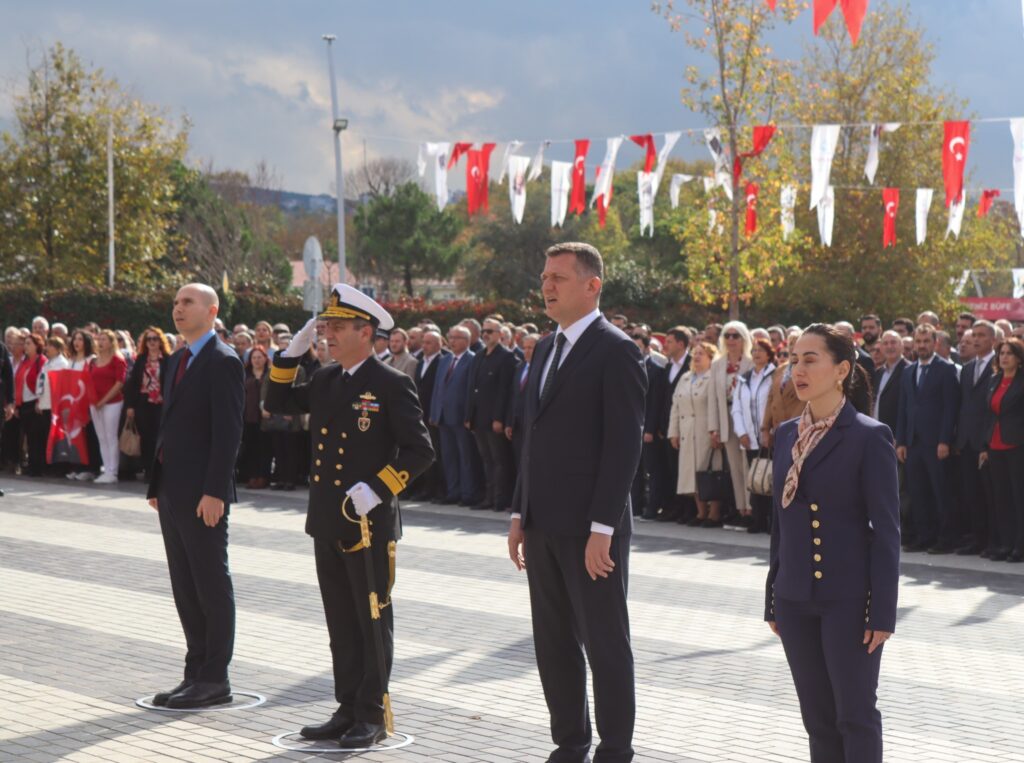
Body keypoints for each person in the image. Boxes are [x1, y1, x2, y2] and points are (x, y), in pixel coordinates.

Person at [265, 283, 434, 748]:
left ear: (367, 331)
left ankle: (372, 714)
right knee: (340, 621)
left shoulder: (391, 383)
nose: (328, 336)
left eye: (337, 328)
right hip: (328, 519)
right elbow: (276, 404)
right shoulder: (324, 379)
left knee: (371, 619)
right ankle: (346, 707)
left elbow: (421, 451)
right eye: (325, 329)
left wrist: (379, 488)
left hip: (368, 524)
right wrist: (289, 355)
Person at [508, 242, 646, 763]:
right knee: (553, 643)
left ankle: (615, 748)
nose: (546, 286)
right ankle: (570, 742)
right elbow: (533, 439)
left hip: (591, 530)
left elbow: (623, 445)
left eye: (559, 277)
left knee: (605, 642)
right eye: (544, 276)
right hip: (543, 523)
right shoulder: (545, 348)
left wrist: (603, 527)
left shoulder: (617, 349)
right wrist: (520, 513)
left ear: (592, 286)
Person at [765, 323, 900, 763]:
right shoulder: (787, 433)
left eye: (810, 360)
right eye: (793, 360)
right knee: (817, 718)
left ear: (841, 369)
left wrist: (881, 611)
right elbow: (780, 523)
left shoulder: (868, 435)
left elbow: (885, 532)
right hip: (795, 596)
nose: (797, 370)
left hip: (848, 600)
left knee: (855, 716)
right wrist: (773, 595)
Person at [146, 284, 244, 709]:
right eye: (175, 303)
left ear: (212, 310)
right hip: (172, 490)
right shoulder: (178, 358)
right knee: (184, 585)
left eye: (187, 302)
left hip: (203, 493)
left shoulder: (223, 360)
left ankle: (215, 677)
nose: (178, 309)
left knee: (209, 583)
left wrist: (215, 491)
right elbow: (169, 427)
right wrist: (157, 485)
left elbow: (228, 432)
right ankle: (195, 672)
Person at [895, 324, 959, 553]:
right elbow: (903, 408)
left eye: (926, 341)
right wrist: (901, 441)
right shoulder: (908, 371)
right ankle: (925, 536)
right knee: (917, 492)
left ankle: (945, 539)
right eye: (918, 341)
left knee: (940, 492)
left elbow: (950, 408)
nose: (921, 346)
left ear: (935, 343)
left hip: (936, 444)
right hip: (913, 443)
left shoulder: (946, 369)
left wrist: (945, 440)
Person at [953, 321, 996, 556]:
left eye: (981, 335)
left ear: (993, 340)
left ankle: (992, 539)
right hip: (966, 441)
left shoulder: (997, 366)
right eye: (974, 335)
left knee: (988, 495)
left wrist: (986, 442)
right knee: (970, 494)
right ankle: (976, 539)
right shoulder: (967, 368)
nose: (977, 339)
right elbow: (962, 406)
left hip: (986, 442)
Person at [980, 337, 1024, 562]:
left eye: (1009, 353)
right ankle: (1005, 544)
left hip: (1017, 446)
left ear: (1018, 358)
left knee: (1019, 497)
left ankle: (1020, 545)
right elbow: (989, 414)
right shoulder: (994, 379)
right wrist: (984, 446)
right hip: (995, 446)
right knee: (1001, 497)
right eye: (1002, 353)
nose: (1004, 357)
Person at [669, 341, 722, 526]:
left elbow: (717, 406)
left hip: (705, 432)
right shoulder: (685, 377)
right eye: (695, 353)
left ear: (711, 358)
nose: (697, 356)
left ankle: (713, 513)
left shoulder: (713, 378)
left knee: (709, 471)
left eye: (702, 353)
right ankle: (700, 513)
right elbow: (675, 406)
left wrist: (716, 430)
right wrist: (673, 432)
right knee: (692, 474)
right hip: (686, 431)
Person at [708, 321, 754, 525]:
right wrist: (714, 428)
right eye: (727, 335)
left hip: (745, 418)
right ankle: (740, 508)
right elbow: (713, 399)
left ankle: (752, 507)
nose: (731, 340)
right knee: (734, 466)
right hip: (725, 416)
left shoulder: (751, 362)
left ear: (744, 338)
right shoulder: (718, 364)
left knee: (748, 466)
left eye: (736, 336)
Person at [429, 326, 480, 506]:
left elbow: (470, 392)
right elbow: (438, 388)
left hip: (460, 417)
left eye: (456, 338)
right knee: (449, 457)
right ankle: (453, 491)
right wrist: (434, 412)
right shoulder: (445, 360)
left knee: (465, 457)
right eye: (450, 337)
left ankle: (468, 493)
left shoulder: (473, 360)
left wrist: (469, 415)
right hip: (443, 417)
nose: (452, 341)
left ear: (466, 341)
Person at [732, 338, 776, 533]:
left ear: (769, 354)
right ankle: (757, 520)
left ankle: (772, 522)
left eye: (761, 350)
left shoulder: (775, 375)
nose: (756, 353)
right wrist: (741, 432)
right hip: (750, 438)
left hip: (771, 437)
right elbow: (737, 408)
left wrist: (770, 431)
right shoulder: (744, 378)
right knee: (755, 479)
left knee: (771, 479)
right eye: (754, 350)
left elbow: (776, 407)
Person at [653, 327, 692, 522]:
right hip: (666, 428)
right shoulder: (667, 367)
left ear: (681, 343)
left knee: (684, 470)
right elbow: (661, 398)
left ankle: (687, 509)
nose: (665, 345)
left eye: (669, 342)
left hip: (686, 428)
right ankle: (671, 507)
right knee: (669, 470)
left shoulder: (692, 364)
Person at [124, 328, 172, 481]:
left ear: (160, 341)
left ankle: (160, 470)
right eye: (148, 339)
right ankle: (148, 470)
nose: (152, 342)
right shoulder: (141, 359)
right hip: (143, 403)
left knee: (160, 437)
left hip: (161, 403)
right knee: (145, 437)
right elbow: (132, 385)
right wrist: (130, 406)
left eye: (155, 339)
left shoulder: (167, 360)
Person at [408, 329, 449, 501]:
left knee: (437, 455)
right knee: (423, 453)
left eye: (429, 342)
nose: (425, 346)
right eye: (423, 342)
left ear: (439, 343)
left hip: (433, 416)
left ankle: (438, 489)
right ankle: (425, 488)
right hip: (420, 414)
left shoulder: (442, 361)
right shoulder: (419, 361)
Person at [87, 330, 128, 484]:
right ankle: (106, 468)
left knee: (111, 436)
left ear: (111, 342)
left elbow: (119, 383)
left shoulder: (117, 359)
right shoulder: (94, 360)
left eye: (104, 339)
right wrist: (93, 400)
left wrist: (103, 400)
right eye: (99, 339)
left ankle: (113, 472)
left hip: (112, 402)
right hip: (95, 403)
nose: (101, 342)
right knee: (101, 437)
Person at [34, 337, 70, 475]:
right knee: (46, 436)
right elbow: (42, 384)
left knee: (57, 438)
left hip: (55, 406)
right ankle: (48, 465)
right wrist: (39, 401)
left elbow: (61, 386)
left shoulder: (62, 363)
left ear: (57, 348)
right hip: (45, 404)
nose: (46, 349)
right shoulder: (47, 363)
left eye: (50, 346)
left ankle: (59, 468)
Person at [240, 345, 272, 489]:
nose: (257, 360)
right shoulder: (245, 374)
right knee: (251, 448)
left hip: (265, 418)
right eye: (254, 357)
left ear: (265, 359)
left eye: (260, 357)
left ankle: (263, 477)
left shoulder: (270, 374)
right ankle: (252, 476)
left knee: (265, 449)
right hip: (249, 417)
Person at [16, 334, 46, 476]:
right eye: (25, 343)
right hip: (24, 404)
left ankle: (37, 467)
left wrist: (40, 401)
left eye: (29, 343)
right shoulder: (24, 362)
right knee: (28, 435)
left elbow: (43, 384)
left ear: (36, 345)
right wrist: (16, 404)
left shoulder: (42, 361)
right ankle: (32, 465)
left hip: (35, 403)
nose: (26, 346)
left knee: (36, 437)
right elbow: (18, 383)